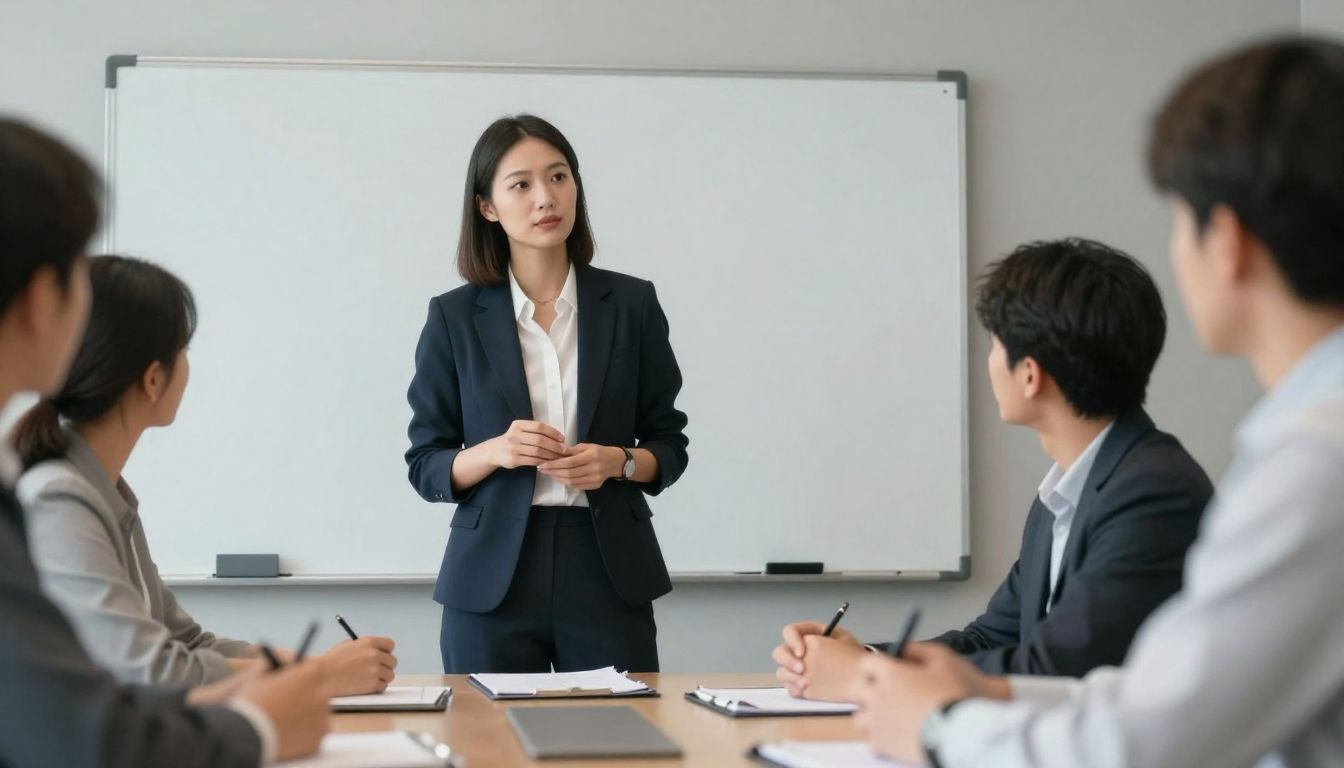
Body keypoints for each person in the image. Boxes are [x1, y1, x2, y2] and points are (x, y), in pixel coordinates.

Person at [850, 37, 1344, 768]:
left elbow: (1150, 738)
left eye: (1180, 220)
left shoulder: (1312, 461)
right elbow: (1148, 697)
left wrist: (940, 728)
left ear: (1228, 241)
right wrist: (954, 692)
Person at [0, 116, 327, 766]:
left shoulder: (102, 487)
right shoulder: (56, 492)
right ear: (43, 299)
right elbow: (100, 712)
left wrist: (270, 680)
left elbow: (174, 642)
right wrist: (262, 724)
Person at [773, 239, 1213, 701]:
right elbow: (991, 640)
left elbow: (1057, 669)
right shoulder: (1065, 496)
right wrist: (866, 656)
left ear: (1029, 374)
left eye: (995, 345)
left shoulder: (1152, 493)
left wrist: (863, 676)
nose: (987, 363)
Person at [13, 254, 397, 693]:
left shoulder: (105, 492)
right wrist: (318, 676)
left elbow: (186, 643)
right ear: (153, 379)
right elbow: (150, 670)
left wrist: (314, 666)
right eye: (184, 350)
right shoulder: (60, 498)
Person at [406, 114, 689, 673]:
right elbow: (425, 463)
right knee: (488, 749)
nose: (546, 198)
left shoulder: (631, 304)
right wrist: (494, 452)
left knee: (617, 748)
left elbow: (669, 443)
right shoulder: (454, 317)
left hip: (607, 569)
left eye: (559, 177)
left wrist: (621, 461)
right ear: (487, 206)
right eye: (521, 184)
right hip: (492, 578)